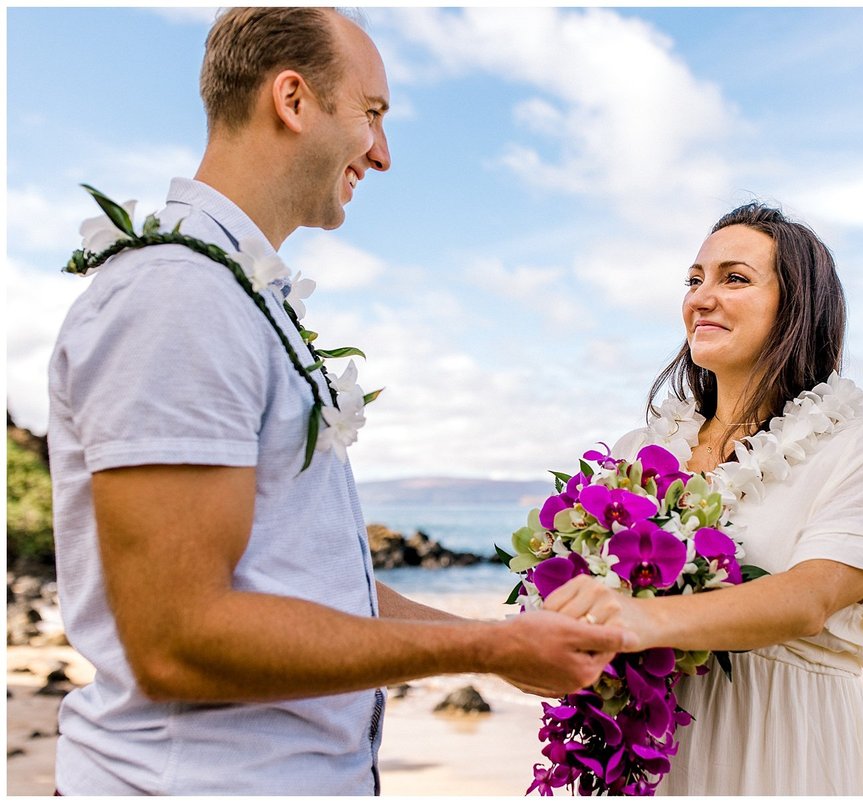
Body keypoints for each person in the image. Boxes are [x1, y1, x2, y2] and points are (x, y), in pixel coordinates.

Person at [47, 7, 632, 796]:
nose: (383, 154)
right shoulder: (177, 298)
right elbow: (178, 640)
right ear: (293, 101)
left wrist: (513, 643)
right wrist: (487, 654)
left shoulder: (232, 297)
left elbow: (319, 586)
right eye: (373, 114)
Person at [544, 202, 863, 795]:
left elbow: (809, 599)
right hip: (653, 744)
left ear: (797, 307)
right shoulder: (638, 450)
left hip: (788, 743)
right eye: (694, 280)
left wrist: (637, 620)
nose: (701, 297)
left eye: (734, 278)